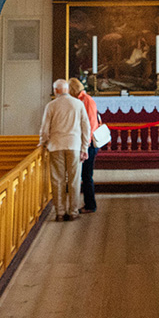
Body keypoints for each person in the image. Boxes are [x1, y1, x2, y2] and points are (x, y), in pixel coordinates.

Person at [38, 78, 90, 221]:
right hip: (74, 145)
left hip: (56, 146)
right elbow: (86, 127)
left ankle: (60, 212)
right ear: (67, 89)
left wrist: (42, 143)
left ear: (56, 91)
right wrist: (84, 147)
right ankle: (73, 211)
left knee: (57, 180)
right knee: (74, 180)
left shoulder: (51, 105)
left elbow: (44, 128)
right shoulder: (78, 104)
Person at [68, 77, 100, 214]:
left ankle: (90, 205)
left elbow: (91, 124)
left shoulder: (86, 100)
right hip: (84, 142)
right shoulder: (80, 100)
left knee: (87, 176)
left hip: (89, 144)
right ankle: (88, 204)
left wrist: (85, 146)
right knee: (84, 175)